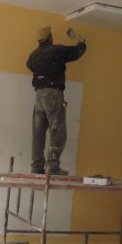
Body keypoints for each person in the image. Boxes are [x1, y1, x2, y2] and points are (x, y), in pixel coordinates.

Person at [26, 25, 86, 175]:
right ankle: (52, 166)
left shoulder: (33, 55)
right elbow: (75, 53)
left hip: (39, 96)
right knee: (57, 131)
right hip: (53, 94)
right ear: (50, 38)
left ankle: (36, 167)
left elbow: (29, 65)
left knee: (38, 132)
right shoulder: (56, 50)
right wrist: (82, 44)